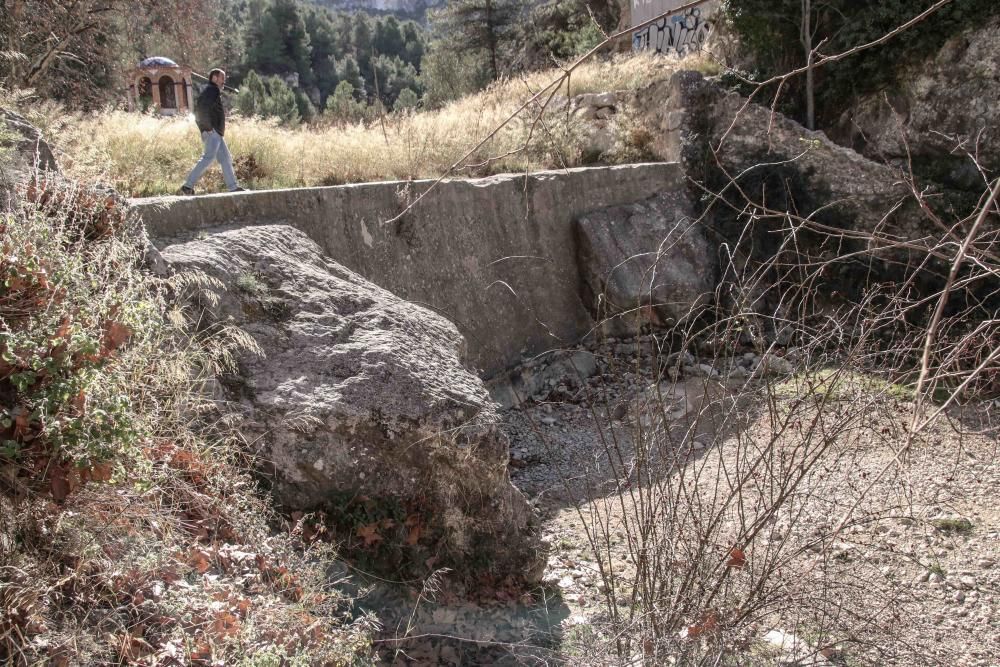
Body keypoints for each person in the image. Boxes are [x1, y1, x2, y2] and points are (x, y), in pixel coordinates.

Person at [180, 68, 244, 195]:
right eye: (222, 78)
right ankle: (188, 186)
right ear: (214, 78)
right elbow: (201, 109)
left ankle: (233, 187)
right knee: (208, 158)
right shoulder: (212, 90)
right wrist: (207, 128)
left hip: (216, 133)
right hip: (213, 132)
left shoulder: (212, 90)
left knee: (225, 158)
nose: (223, 81)